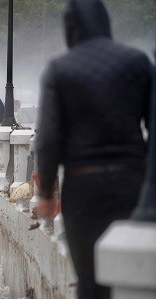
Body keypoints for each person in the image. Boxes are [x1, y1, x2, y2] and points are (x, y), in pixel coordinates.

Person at [35, 1, 152, 298]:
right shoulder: (137, 62)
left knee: (91, 280)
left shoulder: (60, 70)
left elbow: (49, 139)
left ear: (70, 29)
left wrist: (46, 193)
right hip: (134, 184)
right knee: (136, 274)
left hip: (84, 188)